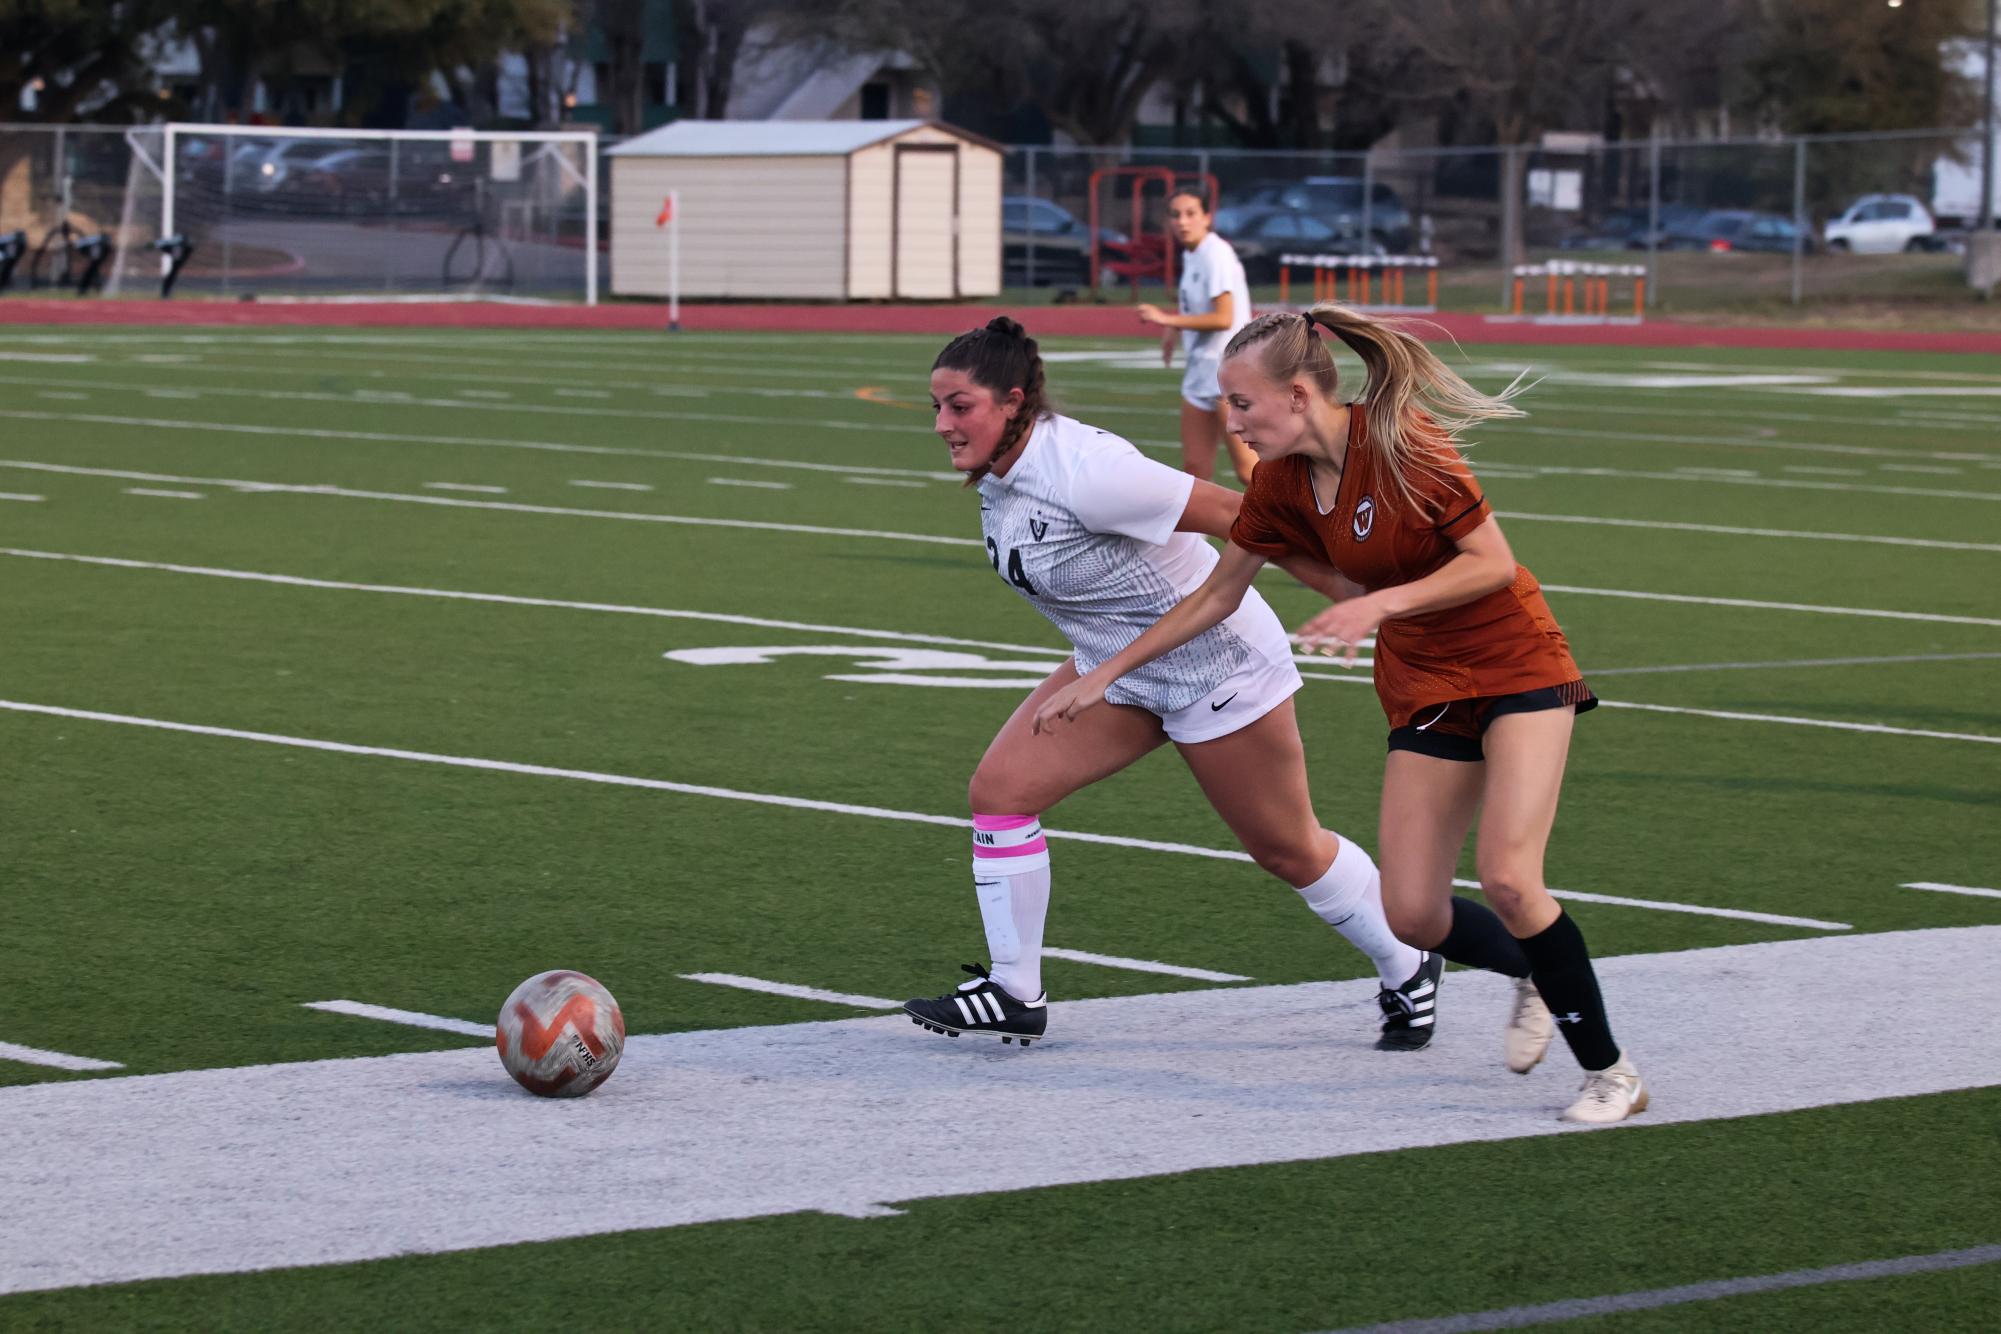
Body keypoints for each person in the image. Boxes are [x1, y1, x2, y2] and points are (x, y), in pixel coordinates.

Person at [1030, 304, 1646, 1125]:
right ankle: (1531, 968)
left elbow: (1492, 565)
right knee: (1411, 914)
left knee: (1506, 876)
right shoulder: (1279, 484)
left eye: (1242, 404)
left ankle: (1610, 1074)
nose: (1232, 421)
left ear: (1294, 395)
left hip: (1514, 662)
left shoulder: (1401, 443)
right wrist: (1104, 674)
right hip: (1423, 683)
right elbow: (1216, 592)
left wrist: (1375, 605)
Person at [902, 316, 1442, 1053]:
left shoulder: (1088, 472)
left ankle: (1407, 963)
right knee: (999, 795)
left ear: (1013, 400)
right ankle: (1014, 991)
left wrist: (1355, 593)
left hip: (1214, 667)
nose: (942, 424)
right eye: (935, 406)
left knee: (1288, 849)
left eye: (958, 406)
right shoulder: (1006, 470)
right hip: (1114, 667)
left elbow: (1239, 513)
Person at [1137, 189, 1257, 486]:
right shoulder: (1193, 255)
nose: (1182, 221)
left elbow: (1223, 318)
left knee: (1250, 472)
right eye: (1175, 215)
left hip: (1227, 373)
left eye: (1191, 213)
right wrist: (1173, 328)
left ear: (1207, 218)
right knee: (1194, 471)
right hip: (1200, 372)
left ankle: (1298, 528)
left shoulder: (1216, 254)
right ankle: (1197, 534)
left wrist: (1168, 319)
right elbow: (1197, 305)